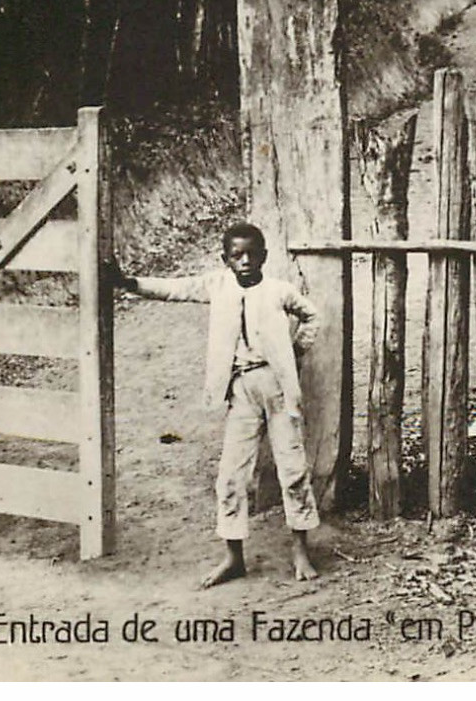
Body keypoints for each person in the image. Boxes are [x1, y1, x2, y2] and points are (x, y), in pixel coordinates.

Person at [114, 221, 321, 587]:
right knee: (230, 475)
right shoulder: (217, 285)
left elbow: (312, 315)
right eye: (236, 255)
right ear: (224, 258)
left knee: (292, 469)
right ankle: (233, 557)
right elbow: (175, 289)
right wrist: (130, 283)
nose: (244, 261)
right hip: (240, 389)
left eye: (252, 254)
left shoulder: (278, 290)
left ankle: (300, 550)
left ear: (264, 256)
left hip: (277, 388)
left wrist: (295, 351)